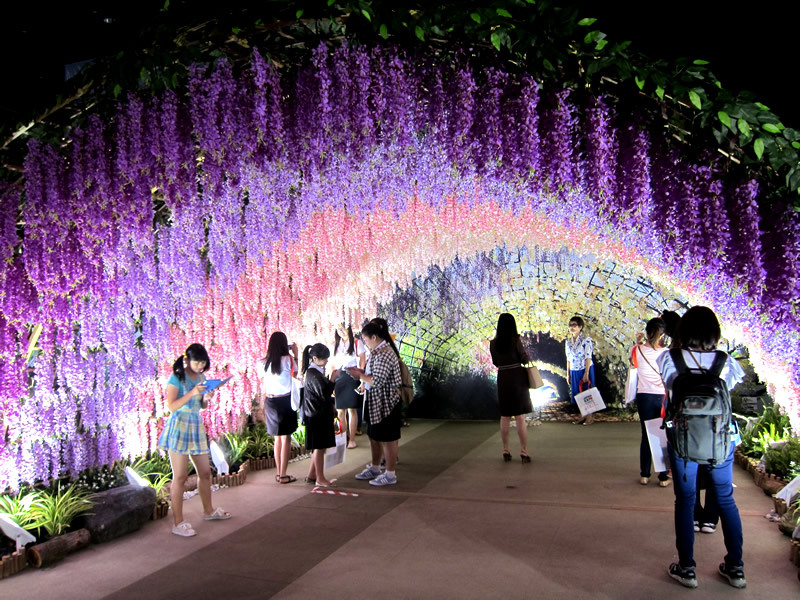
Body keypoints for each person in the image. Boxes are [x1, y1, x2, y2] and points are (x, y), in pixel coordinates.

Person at [657, 306, 746, 589]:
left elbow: (670, 390)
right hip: (720, 441)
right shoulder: (726, 362)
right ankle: (736, 568)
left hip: (683, 440)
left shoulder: (669, 359)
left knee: (685, 500)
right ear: (714, 332)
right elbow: (727, 392)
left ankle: (687, 568)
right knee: (726, 499)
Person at [158, 343, 232, 537]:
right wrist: (192, 392)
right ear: (187, 360)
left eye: (203, 363)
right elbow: (172, 406)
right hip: (180, 426)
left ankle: (208, 511)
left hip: (195, 425)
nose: (201, 366)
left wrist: (207, 397)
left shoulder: (201, 377)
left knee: (206, 473)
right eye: (197, 362)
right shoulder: (177, 377)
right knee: (180, 476)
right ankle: (178, 522)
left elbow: (202, 406)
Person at [346, 319, 402, 486]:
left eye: (366, 339)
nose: (365, 343)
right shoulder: (376, 352)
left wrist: (359, 376)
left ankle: (390, 474)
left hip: (386, 402)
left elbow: (377, 380)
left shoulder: (384, 353)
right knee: (374, 436)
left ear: (374, 337)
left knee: (388, 438)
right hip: (375, 400)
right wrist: (361, 372)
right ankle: (376, 468)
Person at [631, 318, 670, 487]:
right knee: (662, 435)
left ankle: (644, 475)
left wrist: (638, 343)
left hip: (644, 396)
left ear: (647, 332)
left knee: (646, 434)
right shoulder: (667, 353)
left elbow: (633, 367)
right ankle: (662, 477)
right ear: (663, 335)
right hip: (661, 396)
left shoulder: (637, 350)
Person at [256, 331, 299, 484]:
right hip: (285, 401)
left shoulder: (262, 363)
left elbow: (262, 382)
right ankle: (283, 474)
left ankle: (279, 473)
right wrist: (296, 354)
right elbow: (297, 374)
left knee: (277, 439)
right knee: (285, 438)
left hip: (270, 402)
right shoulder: (289, 360)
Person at [489, 313, 532, 463]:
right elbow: (524, 358)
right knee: (520, 417)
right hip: (517, 378)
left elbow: (495, 362)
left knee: (505, 416)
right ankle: (524, 451)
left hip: (503, 378)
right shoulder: (515, 340)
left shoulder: (493, 343)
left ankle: (506, 450)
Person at [301, 343, 337, 487]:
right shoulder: (313, 374)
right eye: (324, 359)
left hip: (316, 414)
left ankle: (312, 476)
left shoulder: (313, 372)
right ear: (315, 358)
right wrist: (333, 378)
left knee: (319, 447)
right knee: (320, 448)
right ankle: (320, 478)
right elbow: (324, 392)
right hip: (317, 415)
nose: (326, 361)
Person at [330, 323, 364, 449]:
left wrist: (361, 379)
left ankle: (352, 439)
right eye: (339, 329)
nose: (342, 331)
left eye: (344, 328)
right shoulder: (335, 344)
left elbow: (362, 361)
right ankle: (343, 438)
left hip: (351, 375)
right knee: (340, 411)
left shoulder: (356, 342)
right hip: (338, 377)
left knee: (352, 410)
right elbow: (332, 365)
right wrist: (331, 382)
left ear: (349, 328)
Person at [565, 316, 596, 425]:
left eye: (574, 325)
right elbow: (568, 358)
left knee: (587, 392)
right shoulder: (568, 342)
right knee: (578, 393)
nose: (572, 327)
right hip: (574, 369)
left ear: (580, 327)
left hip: (584, 368)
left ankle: (590, 417)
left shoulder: (586, 340)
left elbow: (588, 357)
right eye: (570, 325)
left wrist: (587, 372)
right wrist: (568, 373)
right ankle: (583, 415)